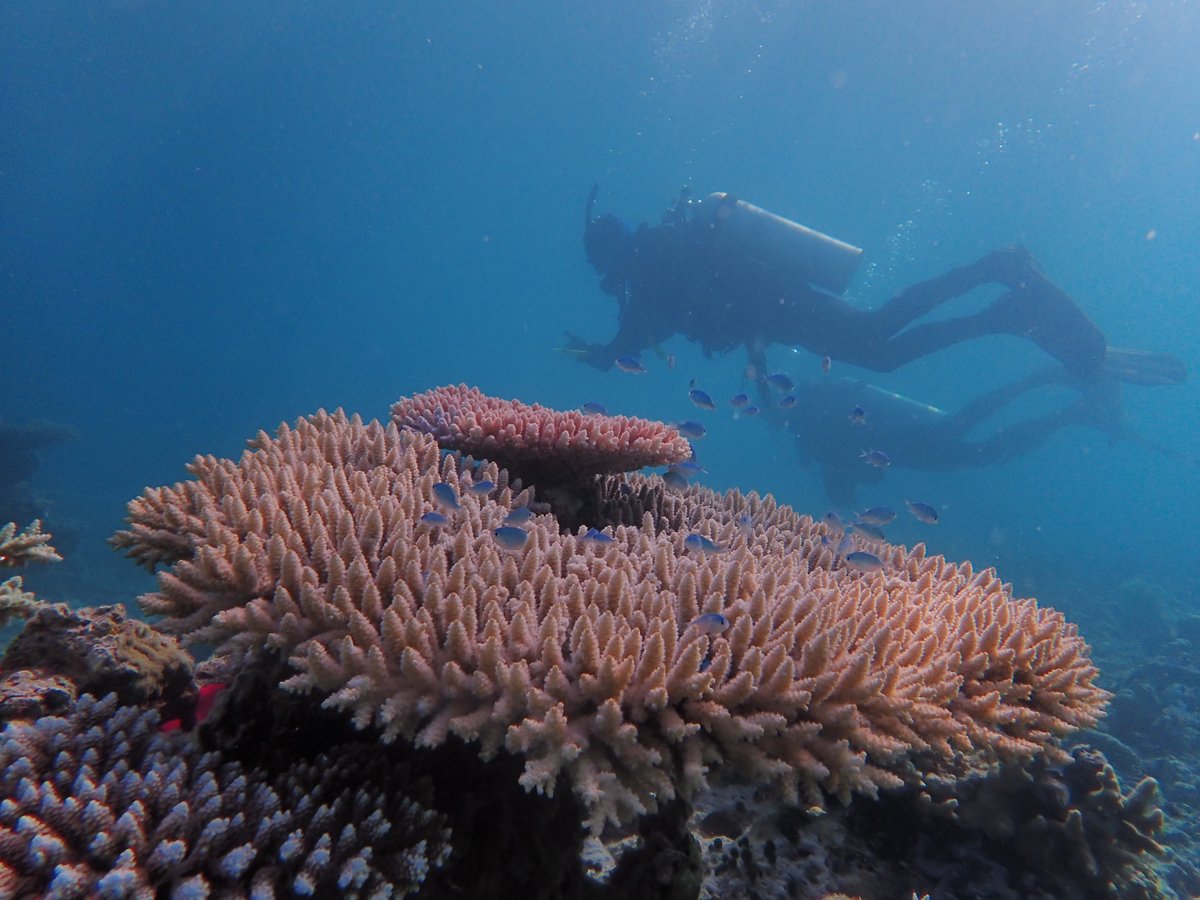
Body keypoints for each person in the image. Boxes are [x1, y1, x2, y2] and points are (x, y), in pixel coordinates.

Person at [565, 185, 1186, 387]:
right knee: (878, 344)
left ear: (613, 253)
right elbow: (694, 312)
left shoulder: (650, 264)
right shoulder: (663, 253)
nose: (603, 279)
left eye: (601, 266)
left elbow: (641, 332)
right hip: (775, 309)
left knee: (877, 337)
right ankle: (1001, 311)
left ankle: (995, 280)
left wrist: (597, 354)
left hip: (780, 304)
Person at [761, 367, 1191, 508]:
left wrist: (841, 489)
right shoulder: (814, 418)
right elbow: (859, 472)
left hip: (903, 440)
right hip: (902, 438)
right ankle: (1054, 400)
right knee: (966, 435)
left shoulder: (811, 427)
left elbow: (858, 476)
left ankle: (1053, 397)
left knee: (971, 443)